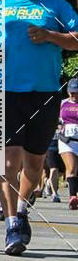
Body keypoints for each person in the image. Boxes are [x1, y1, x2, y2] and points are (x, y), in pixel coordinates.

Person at [0, 0, 78, 255]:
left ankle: (22, 209)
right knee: (6, 161)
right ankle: (11, 225)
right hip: (3, 90)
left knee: (33, 165)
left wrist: (50, 37)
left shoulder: (55, 4)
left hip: (43, 93)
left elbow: (76, 40)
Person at [58, 78, 78, 210]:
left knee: (76, 170)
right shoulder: (62, 103)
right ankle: (72, 197)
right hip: (66, 140)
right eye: (72, 93)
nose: (74, 96)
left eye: (77, 93)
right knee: (71, 168)